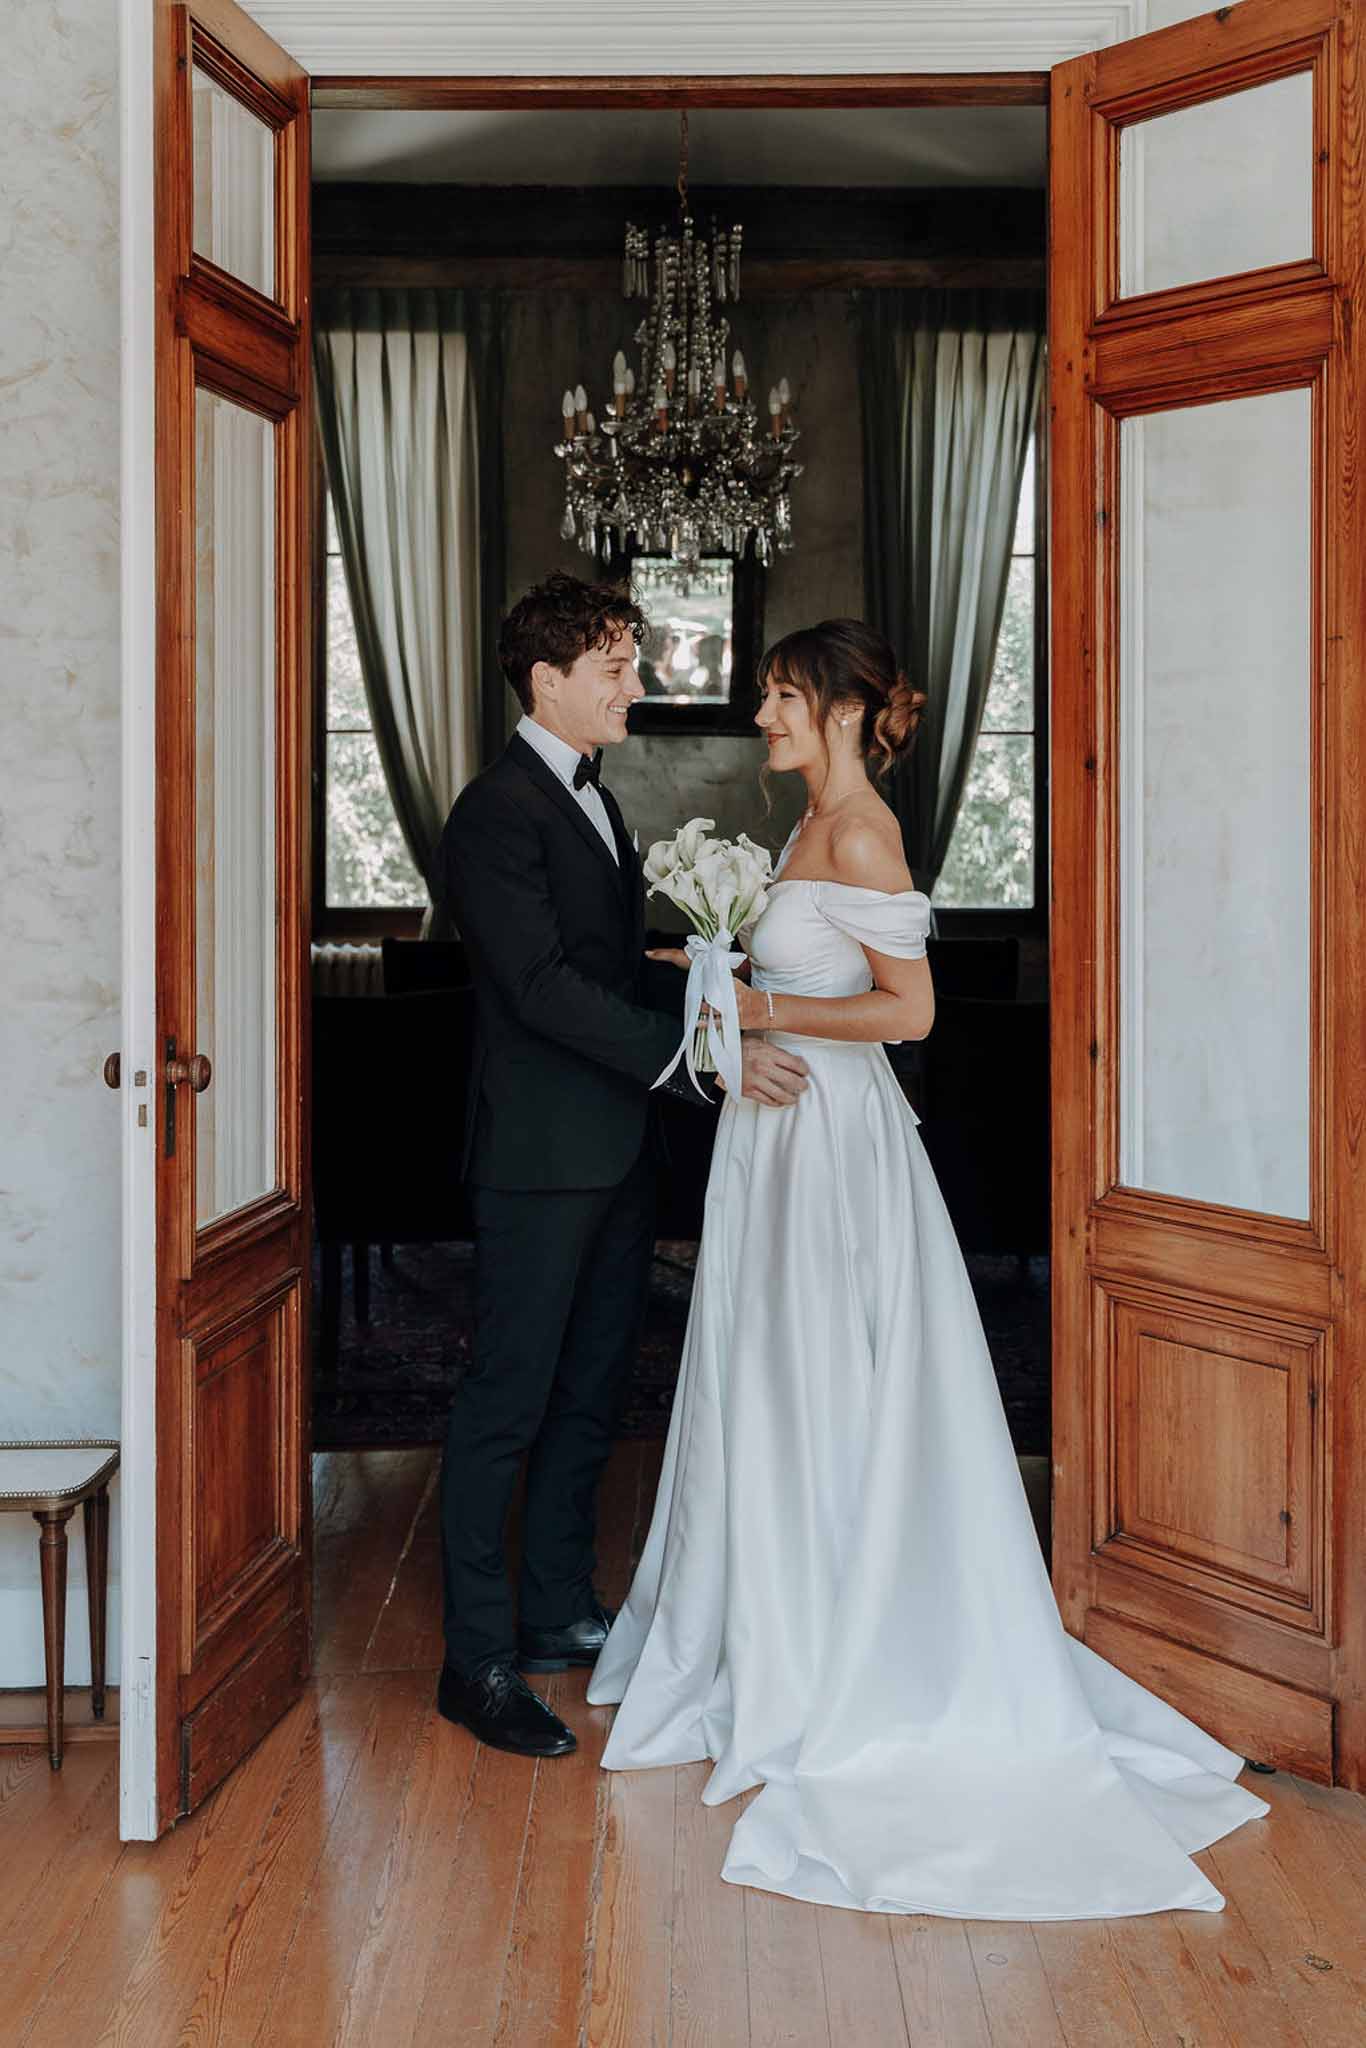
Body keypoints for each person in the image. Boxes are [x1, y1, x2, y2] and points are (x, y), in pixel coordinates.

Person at [588, 618, 1270, 1917]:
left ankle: (842, 1645)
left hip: (836, 1152)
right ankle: (762, 1625)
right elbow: (781, 976)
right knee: (762, 1382)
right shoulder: (793, 830)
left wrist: (754, 1008)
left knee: (827, 1382)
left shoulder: (858, 833)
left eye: (782, 698)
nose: (764, 718)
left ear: (842, 713)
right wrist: (714, 990)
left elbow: (909, 1013)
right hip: (772, 1145)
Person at [434, 573, 810, 1761]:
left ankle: (554, 1607)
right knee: (508, 1400)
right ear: (547, 681)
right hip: (542, 1158)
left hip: (615, 1150)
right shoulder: (493, 813)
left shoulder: (599, 799)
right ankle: (476, 1659)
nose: (635, 684)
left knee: (592, 1389)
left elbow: (609, 960)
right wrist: (696, 1048)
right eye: (614, 666)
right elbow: (540, 987)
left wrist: (726, 998)